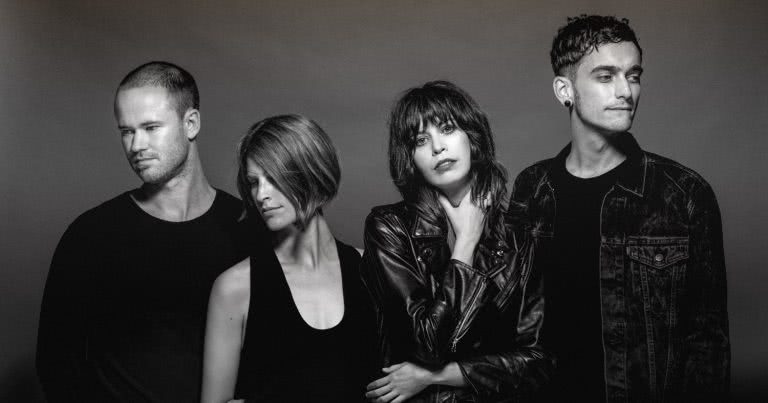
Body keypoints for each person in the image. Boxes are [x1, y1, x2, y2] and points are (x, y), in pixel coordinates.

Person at [507, 15, 730, 402]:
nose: (626, 91)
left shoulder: (684, 194)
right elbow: (510, 316)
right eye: (606, 76)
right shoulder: (532, 187)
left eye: (634, 75)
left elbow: (707, 342)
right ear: (565, 89)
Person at [35, 61, 254, 402]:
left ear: (191, 123)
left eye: (151, 127)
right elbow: (56, 364)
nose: (136, 145)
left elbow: (295, 337)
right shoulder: (91, 234)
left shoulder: (247, 227)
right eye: (127, 130)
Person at [361, 81, 553, 403]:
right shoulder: (389, 228)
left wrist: (443, 376)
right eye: (421, 140)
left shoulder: (518, 241)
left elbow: (539, 362)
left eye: (447, 129)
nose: (438, 148)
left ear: (472, 138)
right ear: (410, 159)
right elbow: (426, 345)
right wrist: (466, 242)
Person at [201, 115, 377, 403]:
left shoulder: (372, 269)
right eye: (254, 182)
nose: (261, 195)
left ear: (313, 174)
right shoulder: (235, 288)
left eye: (274, 179)